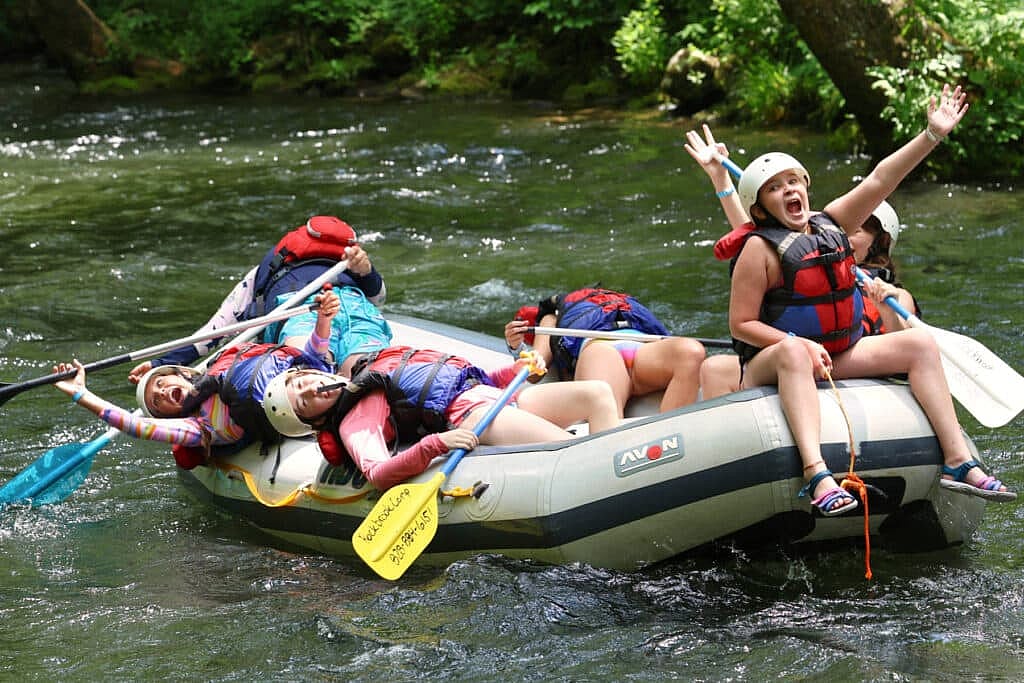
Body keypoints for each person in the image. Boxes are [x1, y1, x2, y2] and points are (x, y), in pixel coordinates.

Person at [684, 83, 1014, 513]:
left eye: (794, 182)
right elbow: (740, 326)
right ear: (760, 208)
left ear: (806, 188)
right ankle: (817, 475)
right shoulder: (757, 249)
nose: (789, 191)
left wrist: (931, 135)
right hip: (775, 363)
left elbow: (881, 178)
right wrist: (798, 343)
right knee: (793, 353)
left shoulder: (833, 223)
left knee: (918, 343)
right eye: (775, 188)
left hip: (839, 352)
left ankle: (957, 461)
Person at [260, 346, 621, 491]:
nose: (313, 391)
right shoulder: (354, 420)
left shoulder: (372, 366)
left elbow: (468, 378)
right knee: (572, 451)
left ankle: (620, 475)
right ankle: (613, 488)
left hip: (500, 396)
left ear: (312, 372)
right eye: (306, 403)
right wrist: (437, 444)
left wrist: (517, 370)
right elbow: (379, 474)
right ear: (316, 422)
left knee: (598, 394)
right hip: (473, 416)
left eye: (305, 383)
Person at [53, 290, 343, 469]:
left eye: (163, 381)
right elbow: (136, 426)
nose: (164, 391)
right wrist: (81, 394)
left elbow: (311, 360)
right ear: (165, 415)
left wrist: (324, 320)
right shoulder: (196, 428)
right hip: (300, 419)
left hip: (313, 385)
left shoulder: (223, 370)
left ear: (183, 374)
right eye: (157, 400)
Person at [695, 200, 921, 399]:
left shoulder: (896, 294)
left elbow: (902, 348)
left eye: (856, 230)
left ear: (878, 243)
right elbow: (759, 243)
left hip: (855, 364)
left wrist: (888, 309)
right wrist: (722, 184)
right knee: (715, 368)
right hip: (803, 358)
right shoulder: (813, 267)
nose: (844, 236)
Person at [128, 215, 390, 383]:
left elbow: (216, 331)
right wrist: (159, 363)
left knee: (311, 370)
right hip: (342, 311)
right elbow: (378, 299)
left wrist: (162, 364)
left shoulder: (262, 274)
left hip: (305, 315)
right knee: (362, 373)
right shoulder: (355, 272)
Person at [502, 287, 706, 417]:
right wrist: (517, 347)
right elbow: (537, 368)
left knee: (691, 351)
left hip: (644, 349)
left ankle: (669, 436)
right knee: (606, 402)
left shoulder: (623, 304)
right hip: (600, 349)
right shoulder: (551, 317)